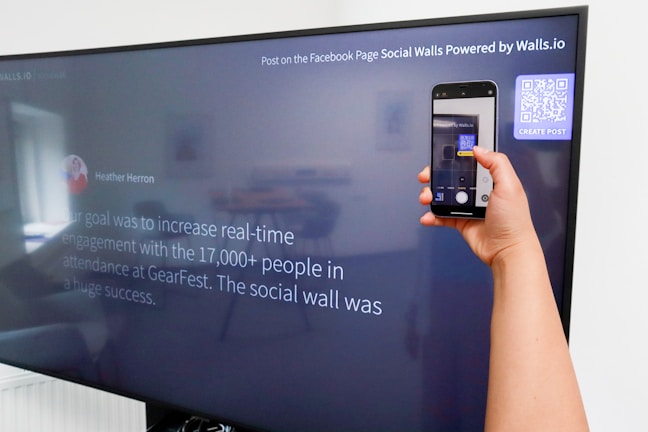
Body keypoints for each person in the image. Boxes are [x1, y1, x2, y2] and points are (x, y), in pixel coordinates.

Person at [418, 146, 589, 432]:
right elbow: (426, 255)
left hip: (480, 297)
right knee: (437, 389)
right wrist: (415, 312)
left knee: (474, 383)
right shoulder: (448, 190)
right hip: (442, 297)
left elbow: (548, 225)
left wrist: (532, 180)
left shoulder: (531, 189)